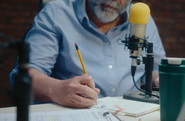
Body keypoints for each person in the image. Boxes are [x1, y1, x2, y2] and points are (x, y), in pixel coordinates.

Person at [10, 0, 166, 108]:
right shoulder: (57, 13)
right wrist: (56, 89)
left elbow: (155, 71)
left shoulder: (142, 20)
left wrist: (161, 79)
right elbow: (23, 76)